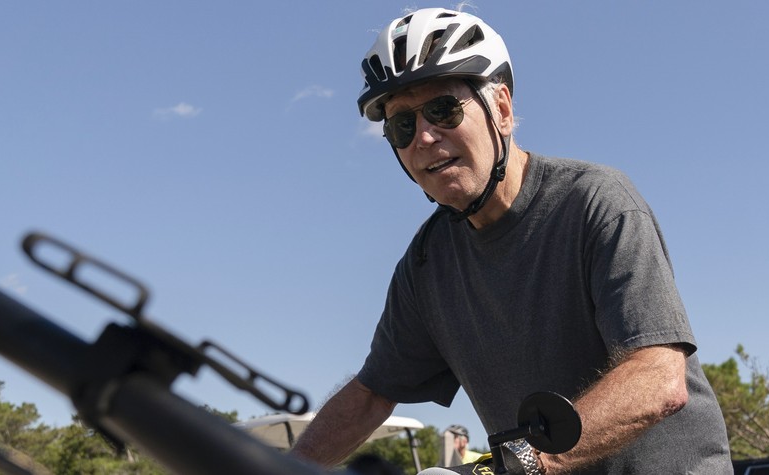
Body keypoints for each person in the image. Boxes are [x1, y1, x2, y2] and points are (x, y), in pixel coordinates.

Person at [292, 7, 732, 474]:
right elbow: (371, 394)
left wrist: (522, 463)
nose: (423, 136)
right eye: (402, 125)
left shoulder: (595, 202)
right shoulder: (427, 265)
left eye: (442, 109)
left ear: (501, 109)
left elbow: (658, 378)